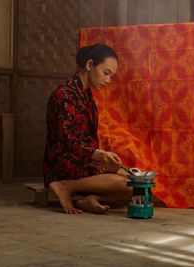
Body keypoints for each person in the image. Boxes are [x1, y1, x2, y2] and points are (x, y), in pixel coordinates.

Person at [43, 43, 132, 214]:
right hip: (64, 164)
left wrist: (102, 157)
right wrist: (98, 154)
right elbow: (66, 139)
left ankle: (90, 200)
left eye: (112, 76)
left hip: (84, 161)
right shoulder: (64, 94)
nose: (108, 81)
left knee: (137, 184)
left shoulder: (87, 96)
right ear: (90, 65)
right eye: (106, 73)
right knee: (128, 185)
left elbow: (88, 139)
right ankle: (64, 186)